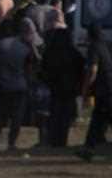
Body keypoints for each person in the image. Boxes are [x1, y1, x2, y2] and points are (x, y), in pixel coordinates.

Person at [0, 18, 33, 151]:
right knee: (17, 116)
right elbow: (29, 67)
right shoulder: (24, 47)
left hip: (3, 84)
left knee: (0, 115)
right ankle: (11, 143)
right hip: (19, 85)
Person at [41, 27, 83, 147]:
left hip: (54, 88)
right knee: (65, 117)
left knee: (54, 115)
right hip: (69, 89)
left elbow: (44, 70)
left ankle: (53, 140)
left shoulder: (50, 52)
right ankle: (62, 140)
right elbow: (81, 69)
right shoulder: (73, 53)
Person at [77, 23, 112, 161]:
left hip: (105, 90)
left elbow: (93, 70)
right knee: (97, 120)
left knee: (99, 118)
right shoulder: (105, 46)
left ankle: (89, 148)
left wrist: (85, 89)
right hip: (106, 88)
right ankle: (88, 149)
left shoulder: (94, 47)